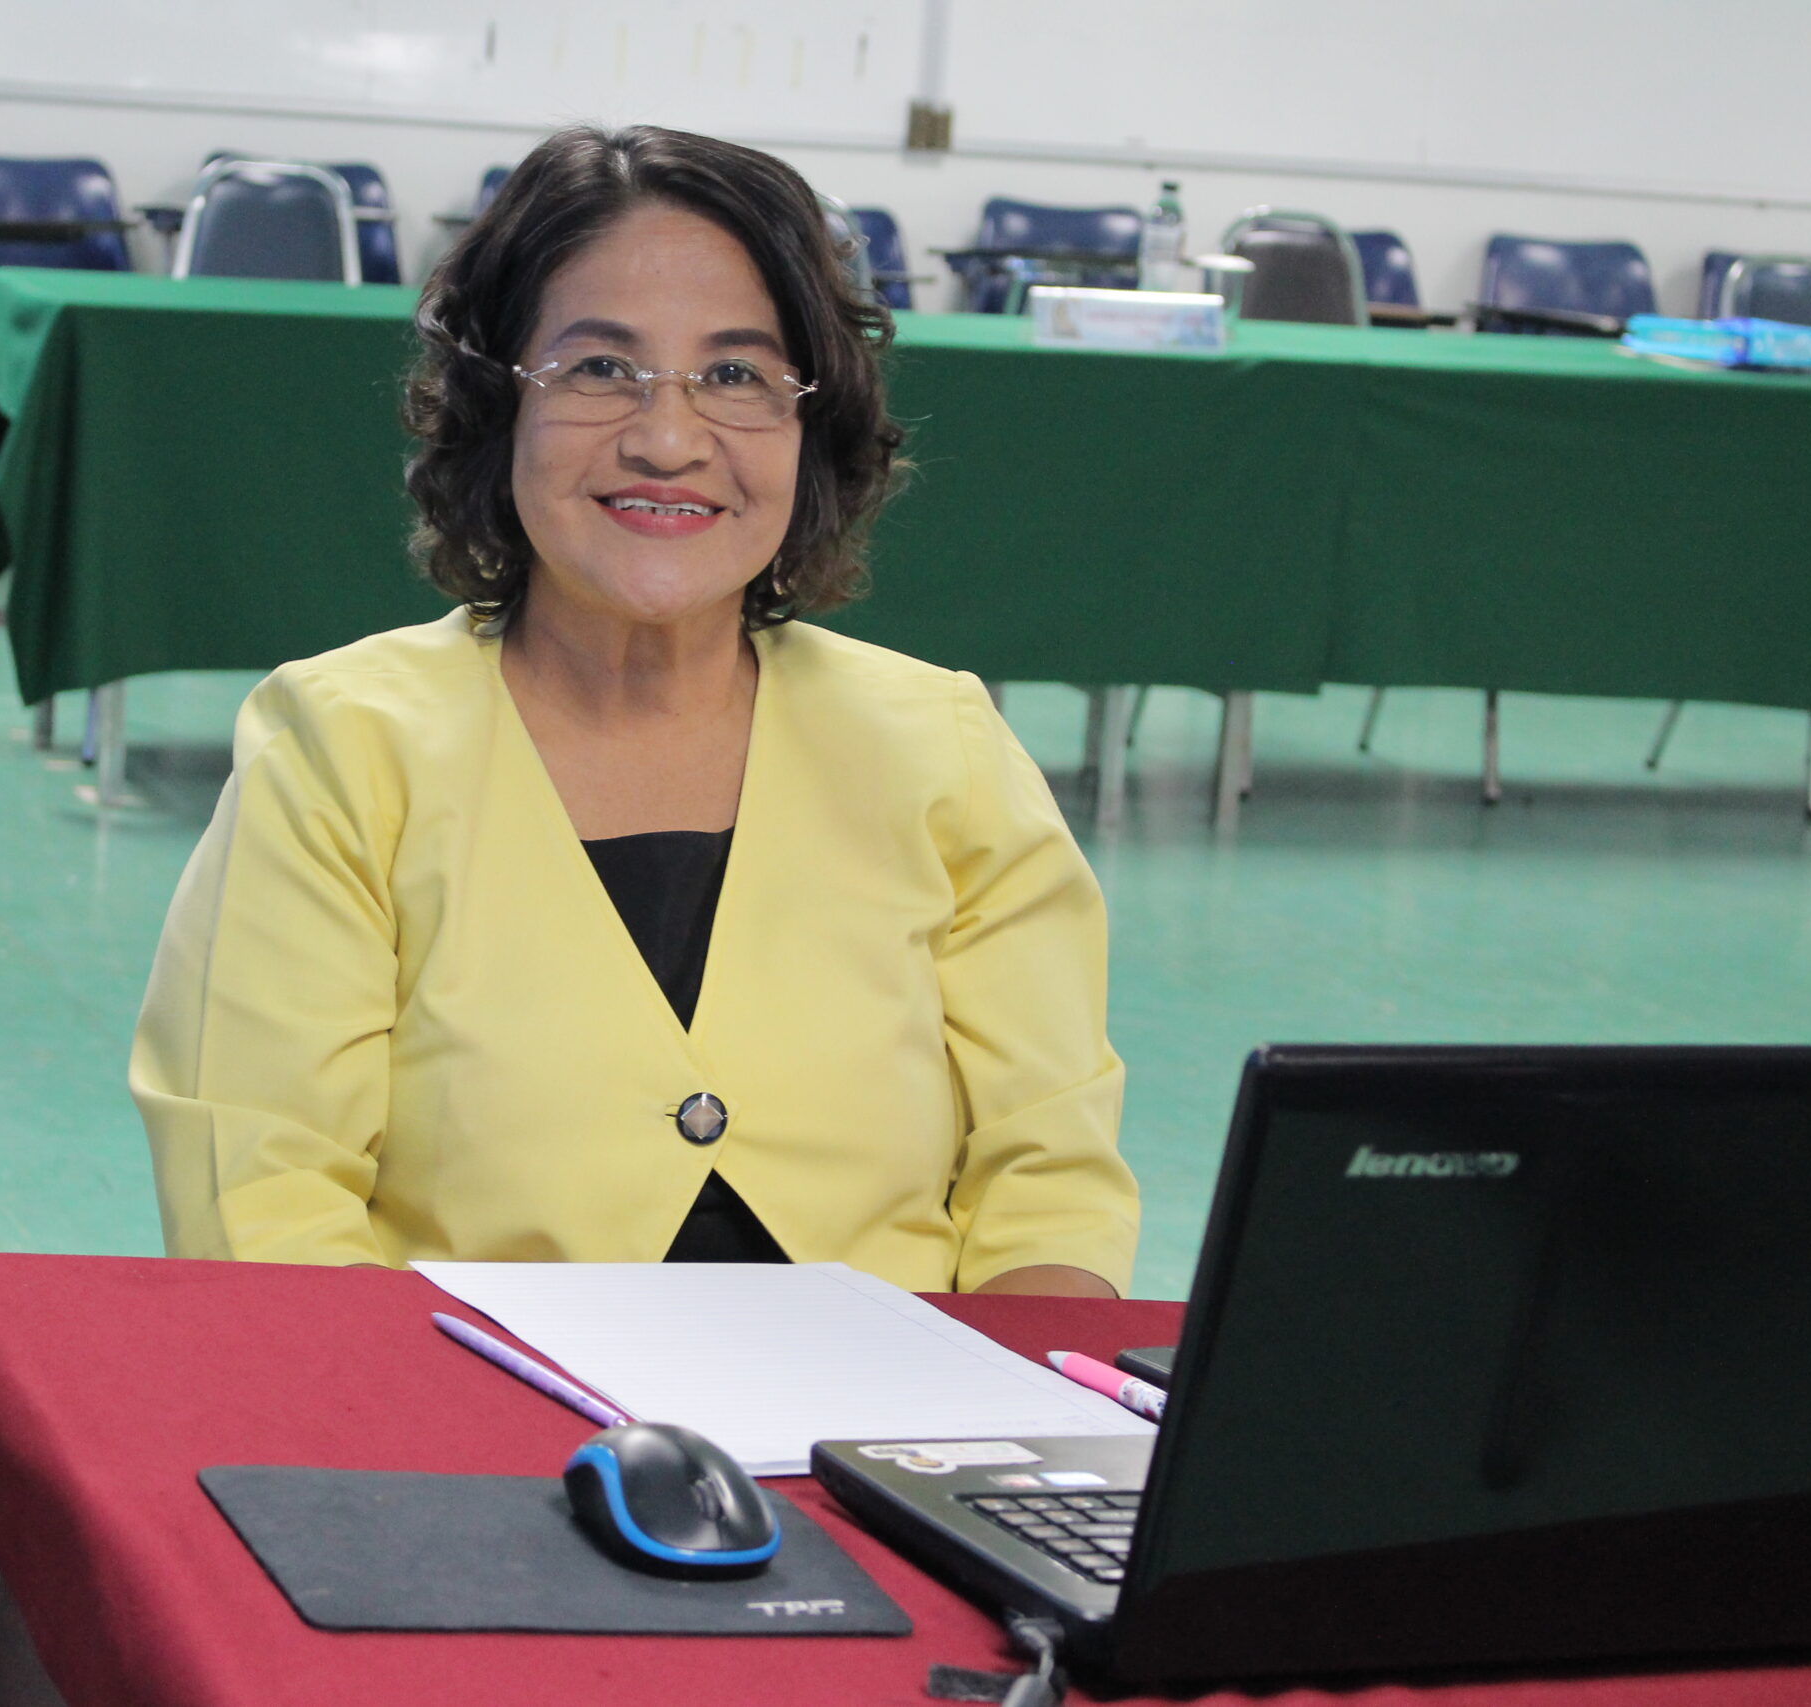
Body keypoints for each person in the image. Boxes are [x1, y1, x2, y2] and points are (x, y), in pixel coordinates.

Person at [132, 125, 1138, 1297]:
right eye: (599, 369)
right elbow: (265, 1207)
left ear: (811, 427)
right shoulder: (341, 750)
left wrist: (977, 1408)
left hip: (894, 1410)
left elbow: (1048, 1188)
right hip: (448, 1405)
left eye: (736, 376)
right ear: (496, 406)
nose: (666, 440)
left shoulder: (942, 747)